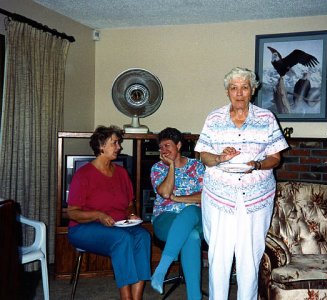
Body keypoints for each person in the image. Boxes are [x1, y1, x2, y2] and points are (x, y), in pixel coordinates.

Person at [194, 67, 289, 300]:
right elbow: (203, 154)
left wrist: (257, 164)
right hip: (219, 196)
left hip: (256, 197)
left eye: (244, 87)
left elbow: (276, 158)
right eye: (234, 88)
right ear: (227, 91)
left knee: (250, 256)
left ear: (252, 90)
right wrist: (219, 158)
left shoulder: (266, 118)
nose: (239, 93)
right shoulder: (214, 118)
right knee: (219, 256)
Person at [67, 125, 151, 300]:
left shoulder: (121, 173)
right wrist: (98, 214)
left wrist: (131, 214)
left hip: (119, 226)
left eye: (118, 142)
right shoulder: (83, 175)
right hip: (84, 228)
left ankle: (137, 298)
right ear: (101, 145)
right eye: (114, 143)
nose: (119, 147)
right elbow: (73, 213)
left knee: (143, 236)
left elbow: (130, 203)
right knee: (122, 239)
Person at [150, 127, 205, 300]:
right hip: (165, 218)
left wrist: (179, 198)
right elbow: (165, 193)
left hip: (197, 216)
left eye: (167, 146)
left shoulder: (197, 166)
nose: (163, 150)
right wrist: (171, 166)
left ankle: (160, 270)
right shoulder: (157, 168)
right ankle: (194, 297)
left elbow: (205, 196)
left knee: (190, 212)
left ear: (179, 145)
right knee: (192, 236)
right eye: (161, 147)